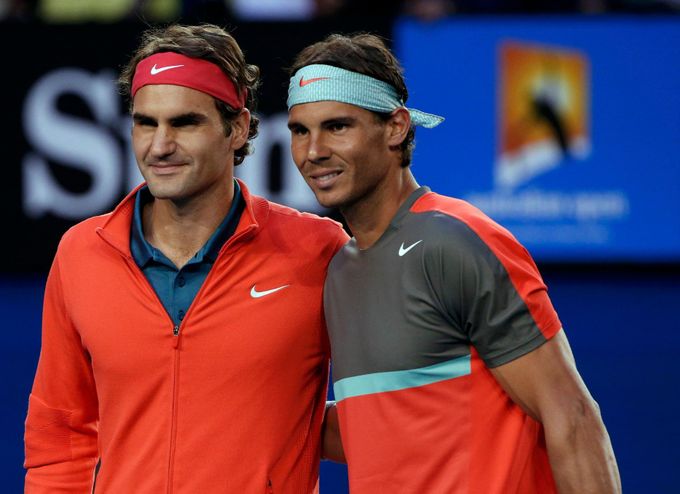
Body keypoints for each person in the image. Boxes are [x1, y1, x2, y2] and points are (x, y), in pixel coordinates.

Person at [286, 33, 621, 493]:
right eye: (299, 131)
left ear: (396, 127)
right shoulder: (340, 271)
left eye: (337, 126)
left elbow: (572, 415)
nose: (313, 151)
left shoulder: (456, 239)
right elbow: (389, 427)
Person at [24, 24, 348, 493]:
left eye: (184, 123)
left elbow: (380, 411)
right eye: (145, 123)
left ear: (236, 128)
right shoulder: (80, 252)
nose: (159, 146)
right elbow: (61, 434)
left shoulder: (319, 250)